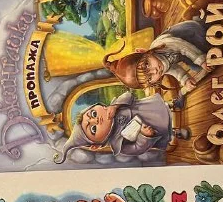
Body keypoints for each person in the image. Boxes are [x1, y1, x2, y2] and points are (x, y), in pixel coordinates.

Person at [54, 92, 189, 164]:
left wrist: (116, 105)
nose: (96, 120)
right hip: (153, 128)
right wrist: (144, 136)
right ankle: (175, 132)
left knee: (163, 106)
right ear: (96, 146)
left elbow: (129, 95)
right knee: (163, 131)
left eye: (93, 114)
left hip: (149, 108)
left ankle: (174, 104)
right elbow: (137, 149)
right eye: (93, 129)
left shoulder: (115, 107)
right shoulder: (117, 143)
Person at [103, 19, 214, 96]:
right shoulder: (161, 67)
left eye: (147, 64)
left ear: (143, 52)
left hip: (188, 35)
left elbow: (183, 47)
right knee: (198, 68)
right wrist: (185, 79)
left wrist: (201, 60)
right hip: (183, 55)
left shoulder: (162, 46)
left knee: (204, 37)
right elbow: (173, 69)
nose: (155, 71)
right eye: (150, 78)